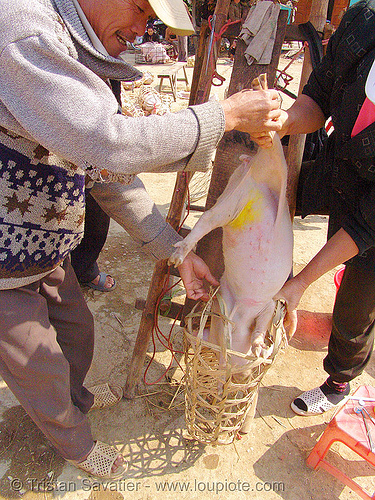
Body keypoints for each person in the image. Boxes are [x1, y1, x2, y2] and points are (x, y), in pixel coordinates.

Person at [0, 0, 282, 480]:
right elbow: (109, 143)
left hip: (43, 248)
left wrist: (173, 249)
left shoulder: (77, 49)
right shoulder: (25, 30)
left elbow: (106, 171)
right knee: (38, 368)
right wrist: (225, 115)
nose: (139, 29)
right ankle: (74, 443)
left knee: (77, 334)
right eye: (137, 8)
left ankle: (77, 401)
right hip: (4, 264)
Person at [254, 0, 375, 417]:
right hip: (345, 172)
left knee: (357, 303)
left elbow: (365, 226)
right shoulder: (364, 22)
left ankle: (340, 378)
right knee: (269, 200)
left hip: (372, 217)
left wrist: (301, 282)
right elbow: (319, 96)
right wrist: (281, 120)